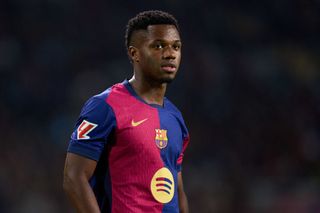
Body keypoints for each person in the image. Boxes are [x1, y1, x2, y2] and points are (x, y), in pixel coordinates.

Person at [63, 10, 190, 213]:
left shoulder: (175, 117)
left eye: (176, 47)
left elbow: (177, 190)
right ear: (134, 53)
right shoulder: (104, 107)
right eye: (158, 46)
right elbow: (73, 177)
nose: (170, 54)